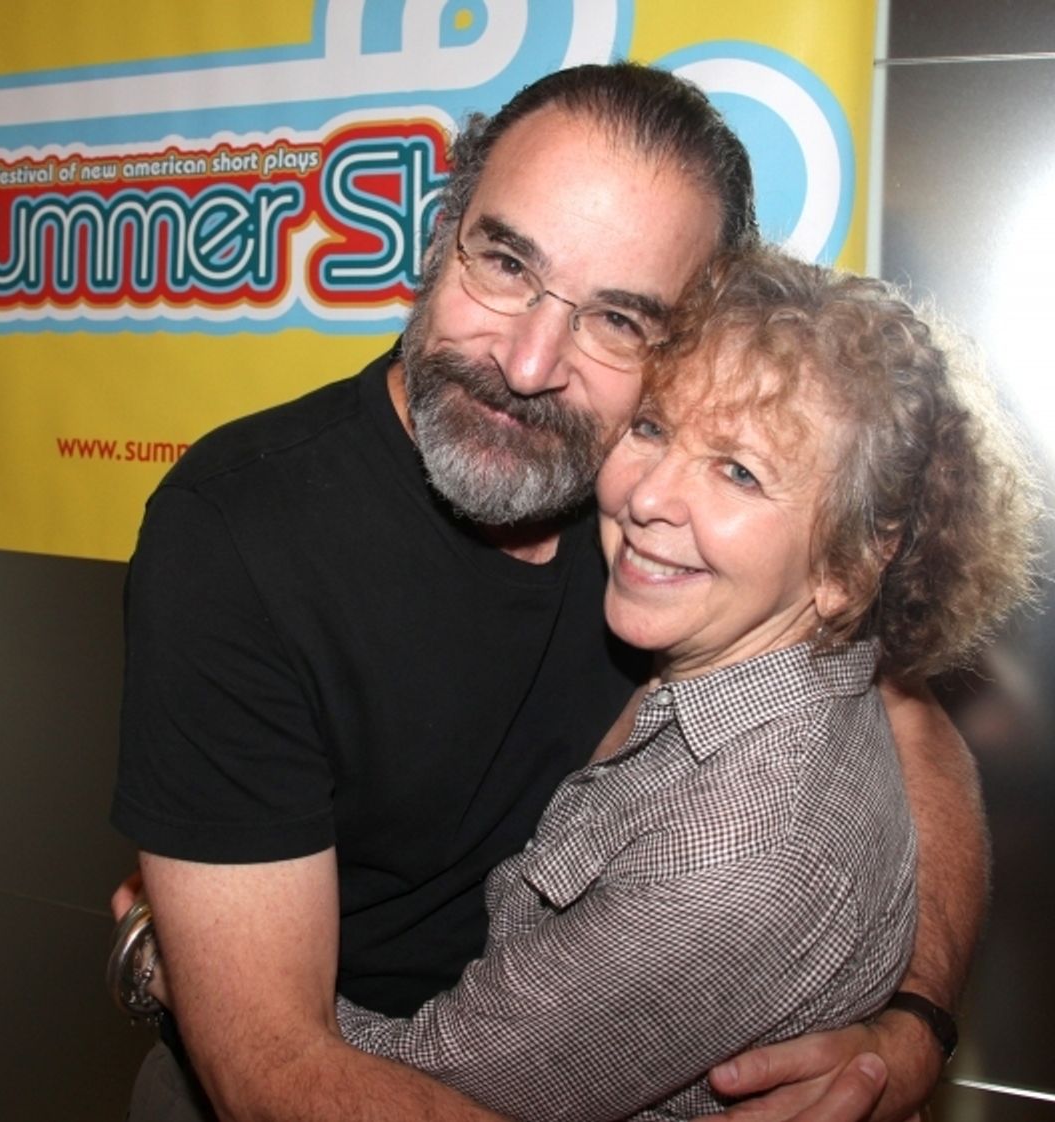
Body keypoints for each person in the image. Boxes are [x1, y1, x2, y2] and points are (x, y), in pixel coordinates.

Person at [111, 63, 988, 1122]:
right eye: (506, 262)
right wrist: (180, 971)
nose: (528, 362)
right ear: (444, 236)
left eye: (619, 320)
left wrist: (913, 1020)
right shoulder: (243, 532)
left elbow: (902, 717)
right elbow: (274, 1074)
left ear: (691, 345)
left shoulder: (669, 516)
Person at [333, 244, 1041, 1119]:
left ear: (852, 563)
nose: (649, 496)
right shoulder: (750, 643)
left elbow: (432, 1082)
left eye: (739, 470)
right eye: (654, 427)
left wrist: (210, 941)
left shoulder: (736, 852)